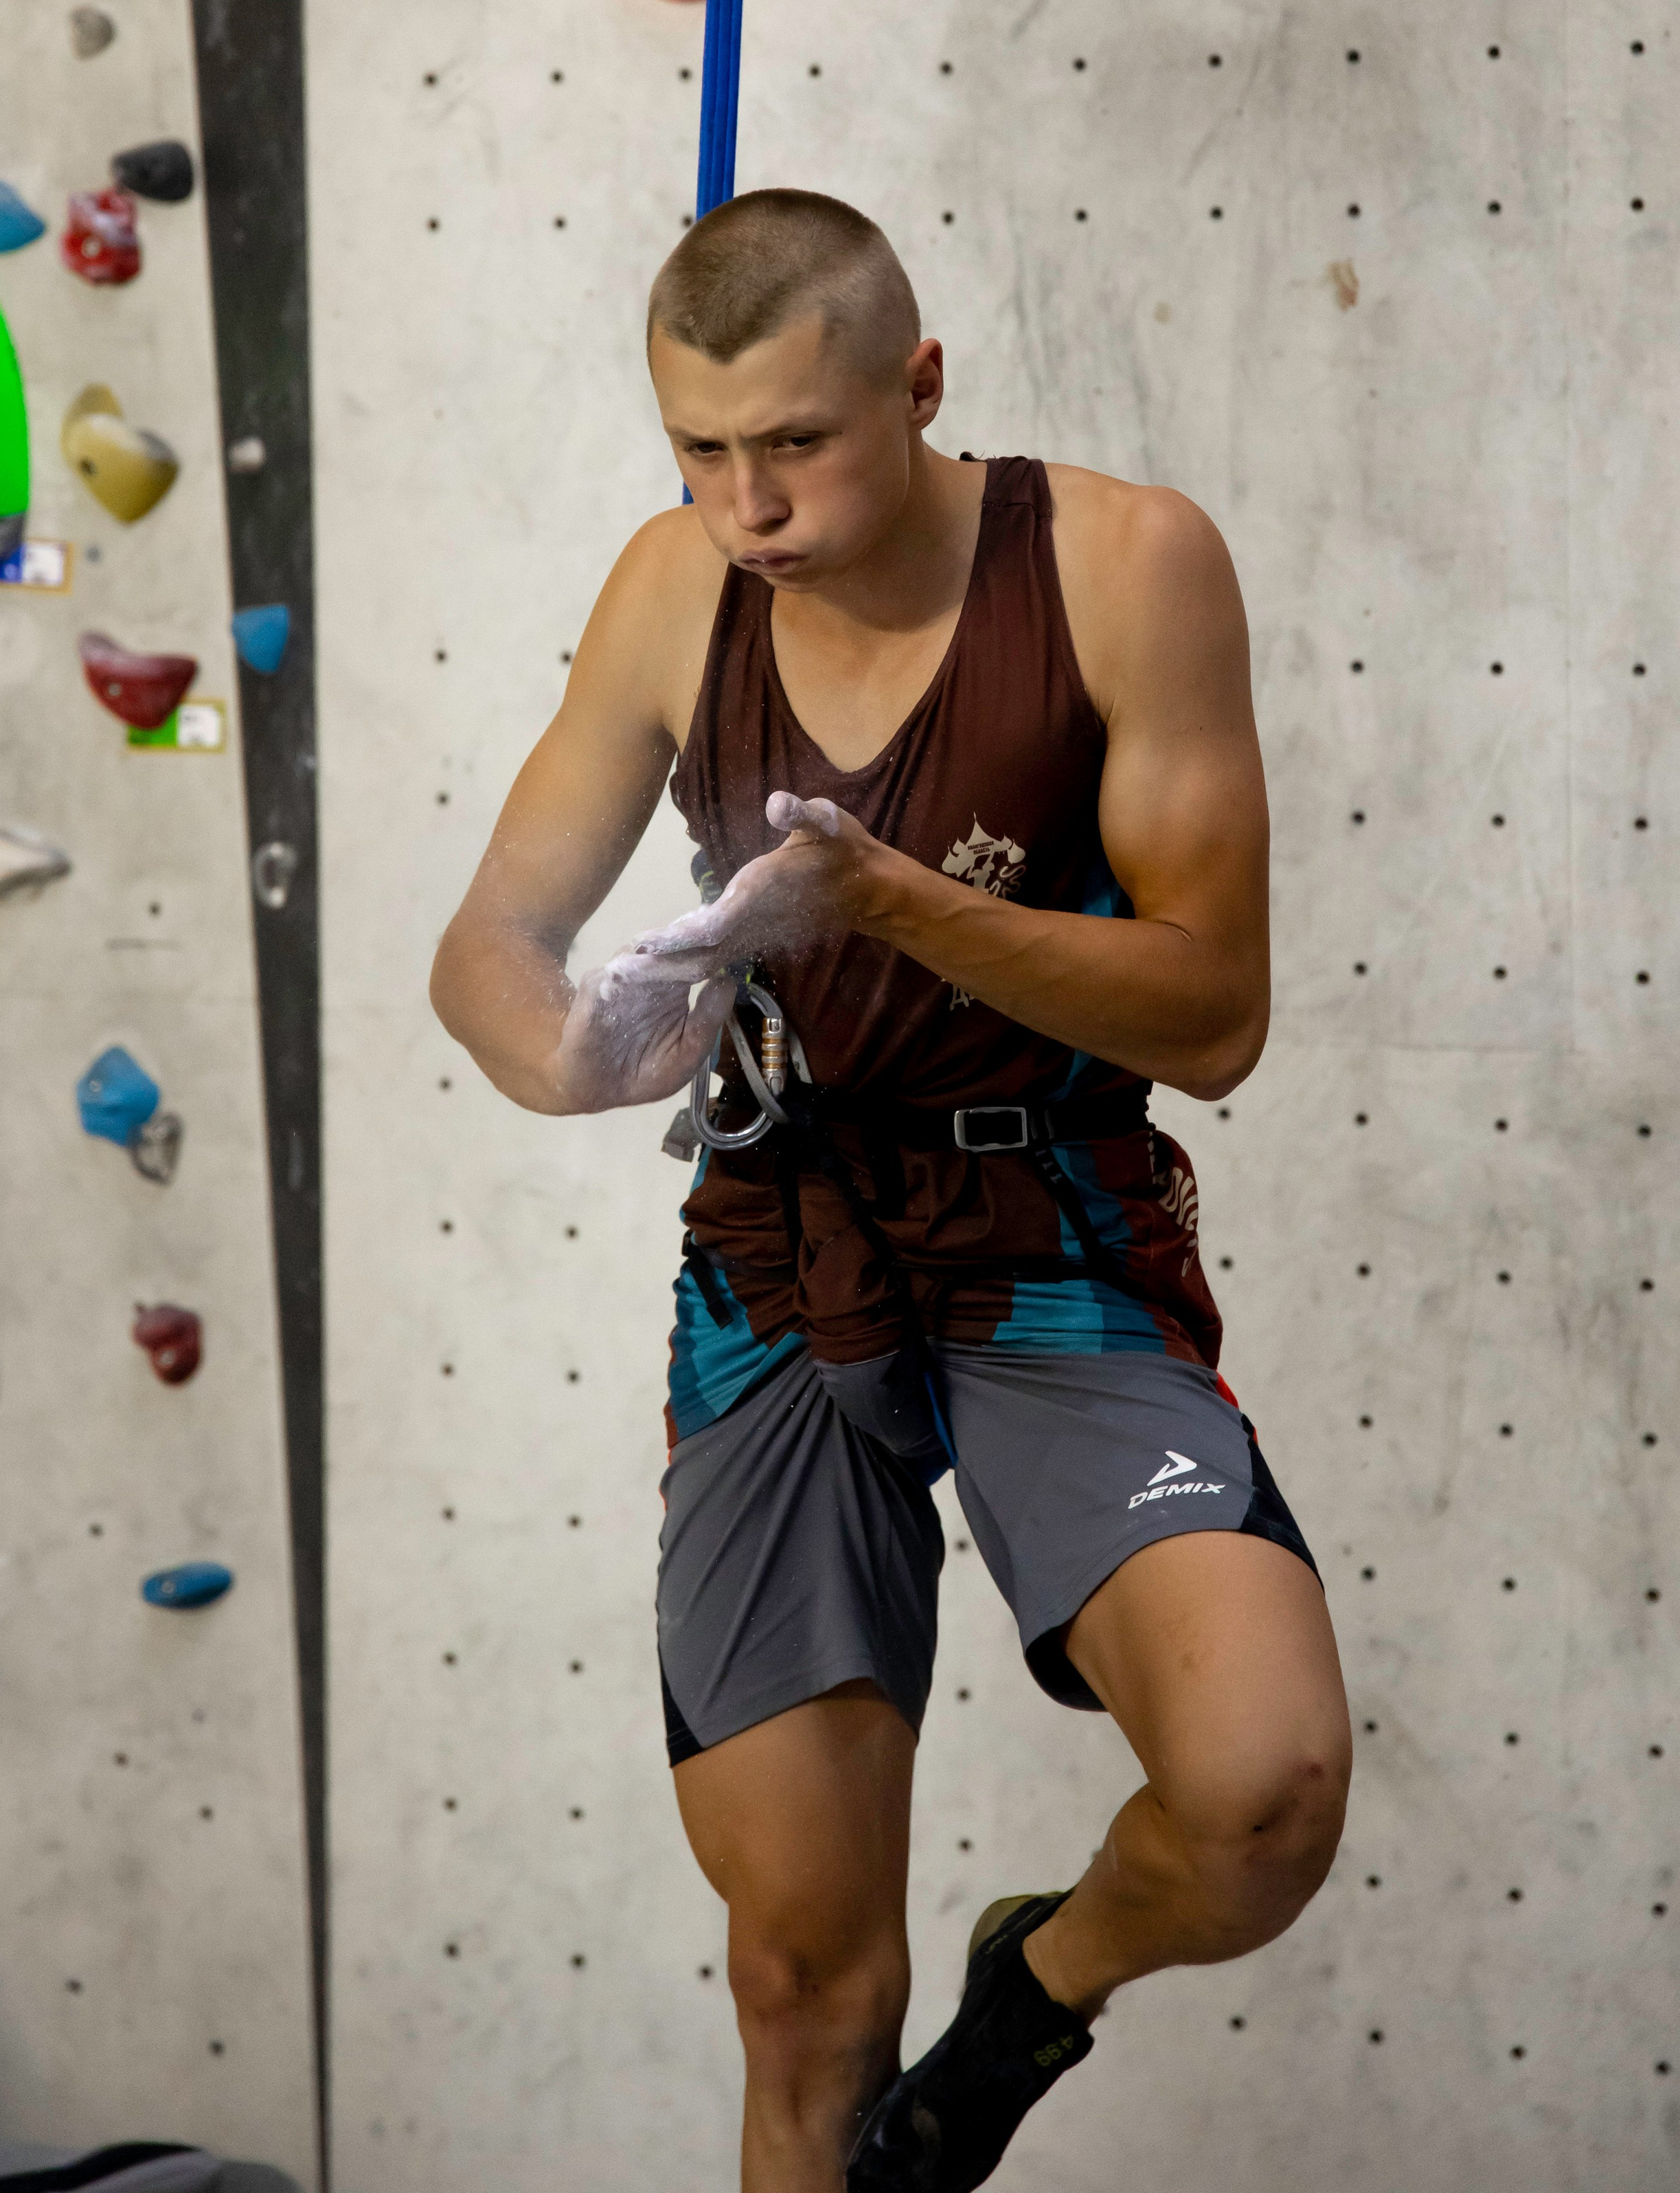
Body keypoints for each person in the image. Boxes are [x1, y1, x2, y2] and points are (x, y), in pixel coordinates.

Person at [431, 189, 1350, 2193]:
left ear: (920, 384)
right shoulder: (674, 585)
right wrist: (572, 1049)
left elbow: (1216, 1016)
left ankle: (1037, 1991)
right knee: (802, 1987)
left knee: (1263, 1795)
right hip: (782, 1250)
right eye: (699, 449)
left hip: (1050, 1233)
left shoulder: (1122, 566)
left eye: (794, 441)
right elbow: (485, 949)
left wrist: (888, 902)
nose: (745, 504)